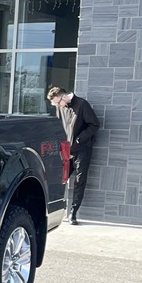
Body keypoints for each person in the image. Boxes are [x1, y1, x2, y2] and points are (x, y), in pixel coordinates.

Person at [47, 85, 100, 225]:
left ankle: (73, 213)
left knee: (79, 180)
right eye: (55, 105)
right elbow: (59, 126)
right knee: (59, 178)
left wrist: (80, 139)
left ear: (63, 97)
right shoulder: (60, 108)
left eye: (58, 103)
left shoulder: (82, 104)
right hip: (66, 150)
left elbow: (94, 124)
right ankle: (55, 210)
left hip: (82, 149)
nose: (57, 106)